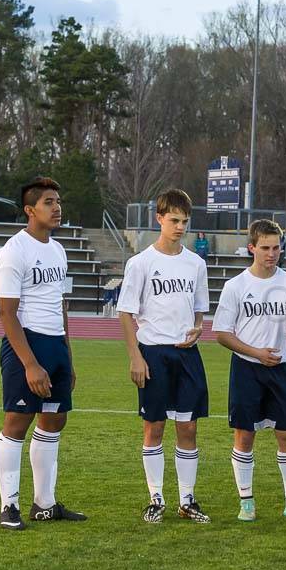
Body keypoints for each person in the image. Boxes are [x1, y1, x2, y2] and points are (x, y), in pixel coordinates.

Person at [213, 219, 286, 522]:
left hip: (280, 371)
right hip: (247, 369)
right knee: (244, 436)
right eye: (265, 247)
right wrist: (256, 353)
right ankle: (246, 502)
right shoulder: (235, 286)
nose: (272, 253)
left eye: (276, 247)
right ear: (252, 247)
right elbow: (222, 333)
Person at [0, 176, 86, 530]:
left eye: (58, 200)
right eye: (49, 202)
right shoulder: (14, 250)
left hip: (55, 344)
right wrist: (30, 363)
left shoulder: (58, 249)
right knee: (17, 423)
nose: (57, 207)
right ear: (30, 210)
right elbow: (6, 311)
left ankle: (44, 504)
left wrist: (68, 356)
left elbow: (61, 305)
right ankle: (9, 506)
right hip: (26, 344)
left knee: (54, 421)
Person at [118, 189, 211, 524]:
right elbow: (126, 314)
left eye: (184, 221)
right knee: (154, 426)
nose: (179, 227)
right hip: (153, 353)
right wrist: (135, 357)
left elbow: (200, 311)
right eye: (173, 220)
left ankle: (187, 500)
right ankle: (155, 497)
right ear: (159, 218)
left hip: (187, 355)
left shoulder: (196, 263)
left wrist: (198, 327)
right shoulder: (140, 263)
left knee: (187, 427)